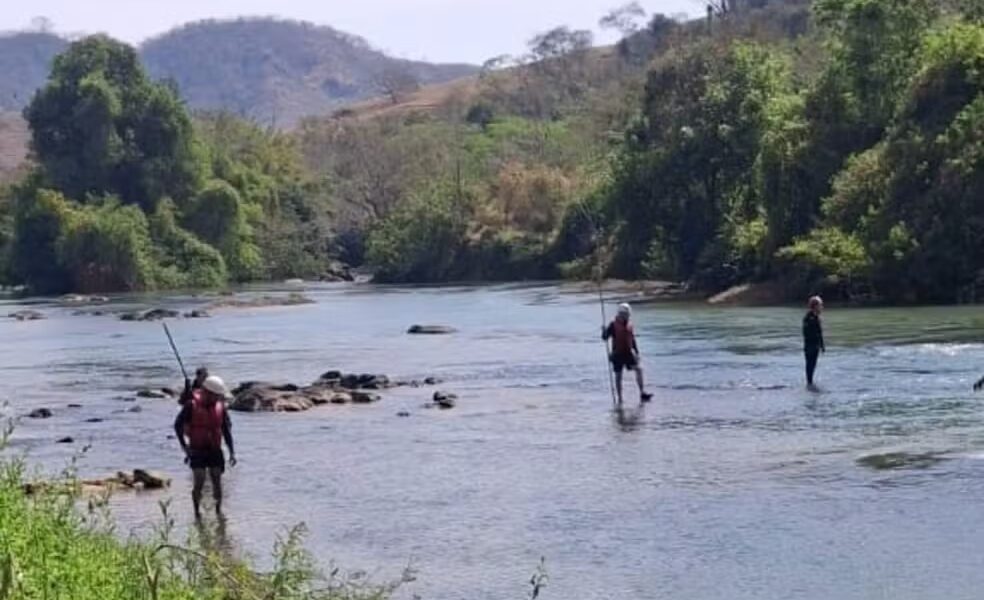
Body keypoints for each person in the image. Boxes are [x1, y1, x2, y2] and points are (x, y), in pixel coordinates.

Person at [174, 375, 237, 519]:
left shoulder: (220, 408)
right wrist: (184, 446)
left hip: (215, 450)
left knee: (217, 480)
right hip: (197, 450)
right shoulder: (191, 405)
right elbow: (177, 425)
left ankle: (219, 511)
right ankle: (197, 512)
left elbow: (226, 430)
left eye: (219, 396)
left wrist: (232, 452)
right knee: (200, 481)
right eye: (215, 395)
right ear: (207, 392)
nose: (217, 399)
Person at [602, 303, 653, 404]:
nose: (627, 316)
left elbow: (632, 339)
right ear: (621, 314)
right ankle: (620, 398)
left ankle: (642, 393)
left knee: (639, 369)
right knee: (618, 375)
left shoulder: (629, 324)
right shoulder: (612, 325)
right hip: (617, 354)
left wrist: (637, 352)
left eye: (628, 314)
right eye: (626, 314)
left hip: (628, 353)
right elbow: (605, 338)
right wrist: (604, 331)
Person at [802, 296, 826, 389]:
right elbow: (807, 333)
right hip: (810, 345)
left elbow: (820, 333)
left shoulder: (816, 317)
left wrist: (822, 345)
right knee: (810, 365)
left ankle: (810, 382)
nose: (822, 307)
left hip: (815, 345)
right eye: (820, 305)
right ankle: (809, 383)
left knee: (812, 365)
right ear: (815, 306)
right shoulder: (809, 318)